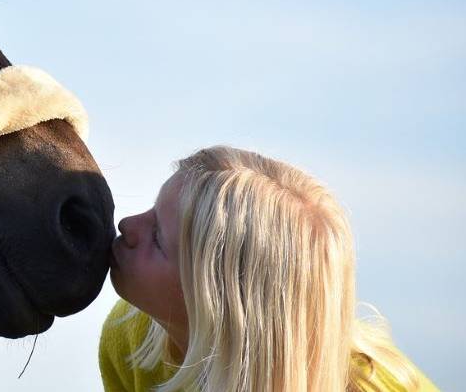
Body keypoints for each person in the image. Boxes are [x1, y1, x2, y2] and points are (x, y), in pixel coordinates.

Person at [100, 146, 438, 391]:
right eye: (152, 210)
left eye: (158, 238)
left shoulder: (370, 386)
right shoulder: (131, 338)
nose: (127, 224)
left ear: (220, 302)